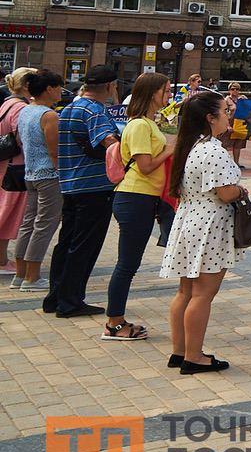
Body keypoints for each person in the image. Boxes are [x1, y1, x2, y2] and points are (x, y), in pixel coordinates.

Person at [161, 91, 247, 374]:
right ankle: (194, 356)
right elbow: (224, 193)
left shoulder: (192, 146)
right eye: (224, 111)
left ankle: (180, 350)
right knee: (203, 294)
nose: (228, 115)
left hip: (190, 221)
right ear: (210, 118)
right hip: (209, 226)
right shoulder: (214, 150)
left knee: (186, 291)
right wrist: (241, 190)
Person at [45, 65, 120, 319]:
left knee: (66, 243)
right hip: (94, 187)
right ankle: (71, 301)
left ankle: (56, 296)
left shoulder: (69, 108)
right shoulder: (95, 110)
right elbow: (109, 143)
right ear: (110, 86)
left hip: (70, 183)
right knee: (84, 246)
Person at [104, 72, 175, 342]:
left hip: (144, 198)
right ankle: (114, 323)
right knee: (127, 264)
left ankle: (116, 319)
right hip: (135, 197)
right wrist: (170, 149)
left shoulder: (147, 123)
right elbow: (145, 167)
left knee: (129, 263)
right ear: (151, 92)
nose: (168, 94)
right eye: (165, 90)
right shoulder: (139, 126)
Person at [12, 69, 64, 293]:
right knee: (44, 225)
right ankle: (32, 277)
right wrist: (62, 173)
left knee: (28, 223)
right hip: (49, 175)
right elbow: (54, 151)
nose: (62, 91)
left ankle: (20, 274)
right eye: (59, 87)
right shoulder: (49, 115)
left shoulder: (25, 111)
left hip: (30, 173)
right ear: (49, 89)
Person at [0, 70, 31, 280]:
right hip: (15, 166)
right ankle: (2, 260)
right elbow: (23, 139)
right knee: (8, 214)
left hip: (6, 164)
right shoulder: (20, 107)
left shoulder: (7, 103)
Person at [221, 83, 249, 166]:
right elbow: (223, 113)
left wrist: (245, 101)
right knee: (225, 143)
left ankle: (236, 163)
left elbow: (248, 109)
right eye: (233, 89)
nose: (235, 91)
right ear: (229, 90)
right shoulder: (226, 100)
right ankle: (225, 163)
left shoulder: (242, 99)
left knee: (238, 144)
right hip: (229, 123)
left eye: (237, 89)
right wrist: (227, 125)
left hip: (239, 124)